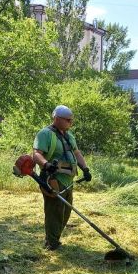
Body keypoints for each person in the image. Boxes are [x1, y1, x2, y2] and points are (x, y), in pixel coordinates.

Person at [33, 105, 92, 250]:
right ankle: (51, 243)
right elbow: (36, 154)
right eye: (68, 120)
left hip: (68, 180)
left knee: (65, 212)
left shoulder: (69, 135)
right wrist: (46, 164)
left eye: (71, 120)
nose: (70, 123)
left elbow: (76, 153)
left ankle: (55, 238)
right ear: (57, 119)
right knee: (55, 212)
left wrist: (85, 169)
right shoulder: (45, 134)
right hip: (53, 179)